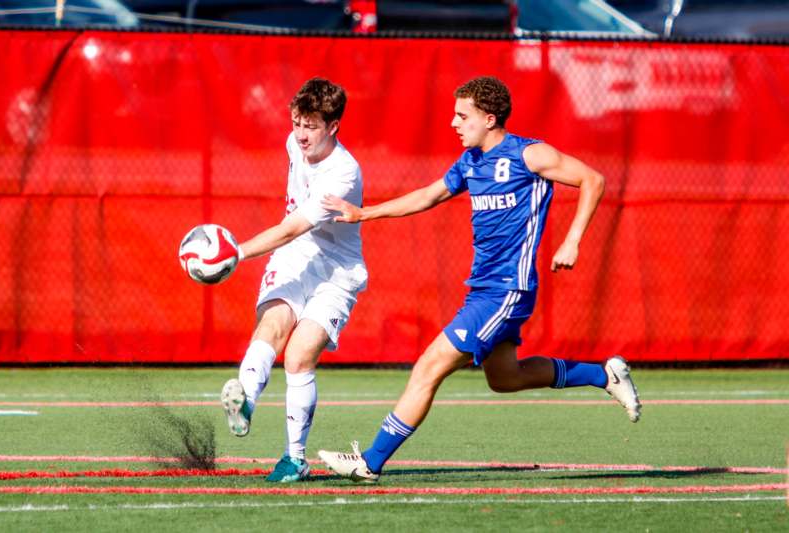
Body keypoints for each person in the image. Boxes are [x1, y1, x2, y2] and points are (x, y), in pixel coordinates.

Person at [317, 76, 640, 483]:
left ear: (489, 119)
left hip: (508, 289)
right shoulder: (469, 162)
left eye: (462, 115)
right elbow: (428, 196)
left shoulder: (529, 154)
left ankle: (370, 461)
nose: (454, 123)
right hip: (484, 288)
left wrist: (572, 241)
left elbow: (593, 179)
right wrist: (365, 213)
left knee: (429, 366)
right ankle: (604, 375)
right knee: (505, 379)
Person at [218, 77, 368, 483]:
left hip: (335, 272)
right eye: (297, 122)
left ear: (333, 126)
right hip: (293, 259)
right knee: (272, 325)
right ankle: (245, 401)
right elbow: (290, 240)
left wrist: (236, 252)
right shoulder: (293, 142)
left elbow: (291, 227)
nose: (301, 134)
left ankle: (294, 459)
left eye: (311, 126)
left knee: (299, 354)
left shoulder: (344, 173)